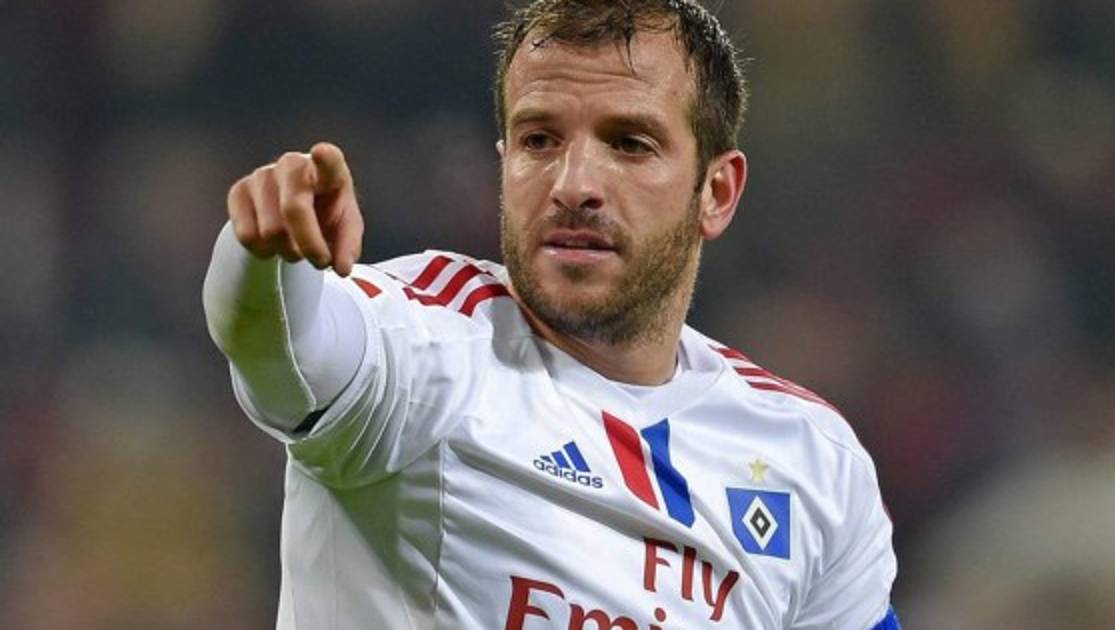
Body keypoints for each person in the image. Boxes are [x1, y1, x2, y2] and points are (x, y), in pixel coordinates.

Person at [202, 1, 900, 628]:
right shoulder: (428, 351)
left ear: (716, 191)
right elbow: (280, 343)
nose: (574, 184)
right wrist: (267, 250)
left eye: (629, 143)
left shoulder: (811, 459)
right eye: (539, 140)